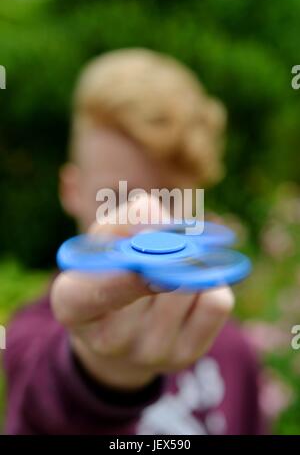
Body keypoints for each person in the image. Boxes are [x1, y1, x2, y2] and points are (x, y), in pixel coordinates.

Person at [3, 49, 262, 435]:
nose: (147, 223)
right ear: (70, 190)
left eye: (171, 200)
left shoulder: (234, 350)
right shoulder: (30, 336)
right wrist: (102, 373)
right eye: (118, 199)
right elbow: (47, 402)